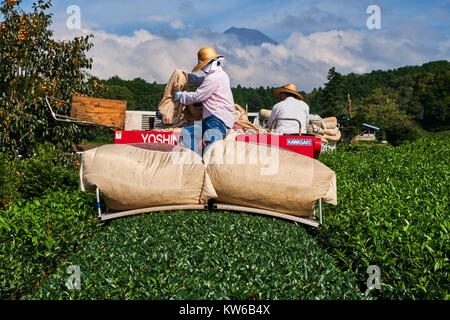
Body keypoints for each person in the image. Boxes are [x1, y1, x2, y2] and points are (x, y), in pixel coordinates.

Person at [175, 46, 235, 154]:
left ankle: (201, 164)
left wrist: (182, 96)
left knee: (211, 152)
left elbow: (198, 96)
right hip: (214, 120)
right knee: (187, 133)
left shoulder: (214, 78)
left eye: (203, 66)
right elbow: (202, 81)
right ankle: (197, 161)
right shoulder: (219, 75)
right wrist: (189, 78)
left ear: (210, 62)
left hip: (216, 120)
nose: (202, 69)